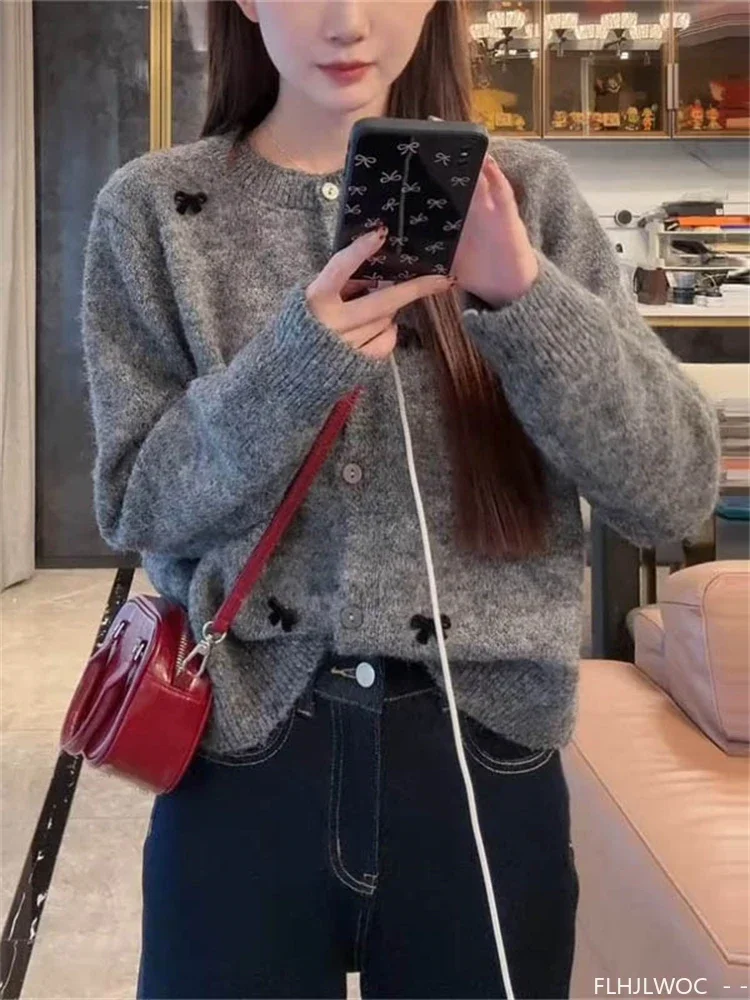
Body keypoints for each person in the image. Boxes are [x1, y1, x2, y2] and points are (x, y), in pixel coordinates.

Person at [81, 2, 720, 997]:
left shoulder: (527, 198)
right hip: (241, 749)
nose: (347, 21)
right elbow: (135, 505)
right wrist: (295, 364)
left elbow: (673, 492)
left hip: (483, 755)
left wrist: (522, 297)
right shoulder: (156, 211)